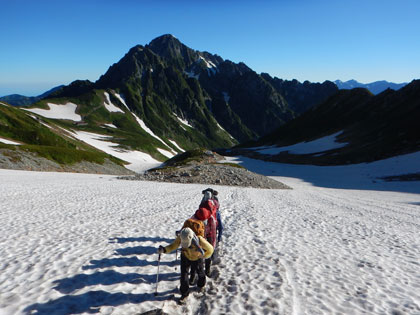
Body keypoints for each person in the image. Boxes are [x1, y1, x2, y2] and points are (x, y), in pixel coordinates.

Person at [158, 227, 213, 302]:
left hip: (197, 258)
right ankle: (184, 293)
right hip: (185, 256)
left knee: (200, 272)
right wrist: (164, 250)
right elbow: (174, 245)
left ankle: (201, 285)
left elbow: (210, 249)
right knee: (184, 275)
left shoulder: (199, 240)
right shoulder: (181, 237)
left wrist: (203, 255)